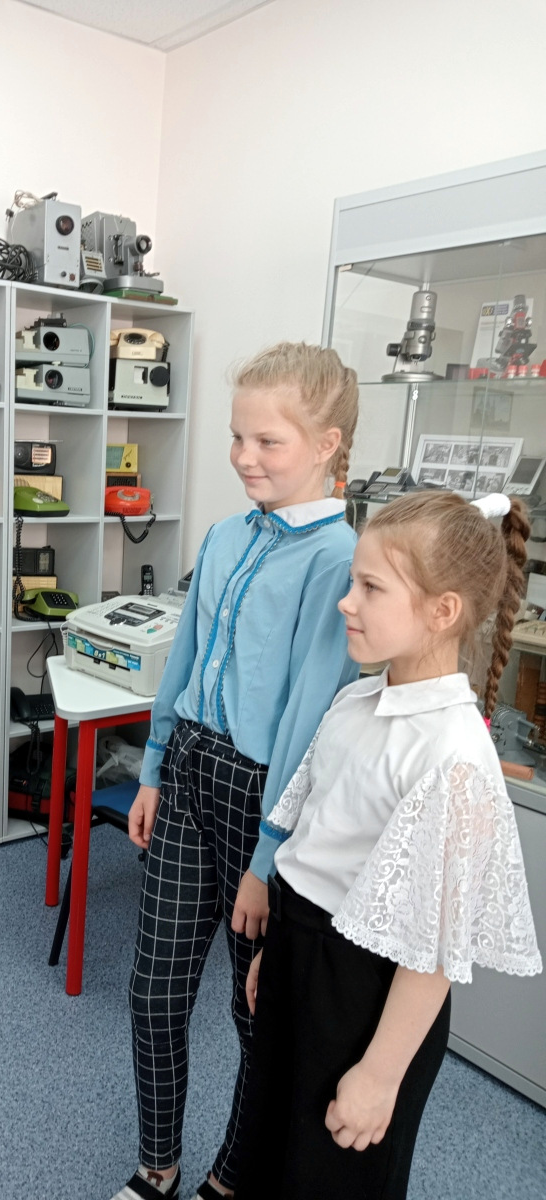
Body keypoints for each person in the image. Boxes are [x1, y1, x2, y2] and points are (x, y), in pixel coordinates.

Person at [235, 490, 542, 1200]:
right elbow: (313, 848)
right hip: (301, 955)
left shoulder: (452, 755)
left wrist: (379, 1074)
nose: (347, 602)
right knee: (271, 1148)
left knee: (330, 1174)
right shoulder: (357, 700)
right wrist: (279, 956)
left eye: (370, 588)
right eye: (353, 582)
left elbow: (431, 950)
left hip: (366, 997)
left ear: (443, 611)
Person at [111, 343, 361, 1200]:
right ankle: (157, 1165)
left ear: (326, 444)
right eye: (236, 437)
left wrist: (265, 860)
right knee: (153, 991)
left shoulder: (338, 561)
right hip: (188, 772)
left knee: (254, 1010)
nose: (244, 457)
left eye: (267, 442)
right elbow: (184, 658)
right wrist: (152, 767)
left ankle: (230, 1176)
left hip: (264, 795)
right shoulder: (225, 536)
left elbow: (307, 722)